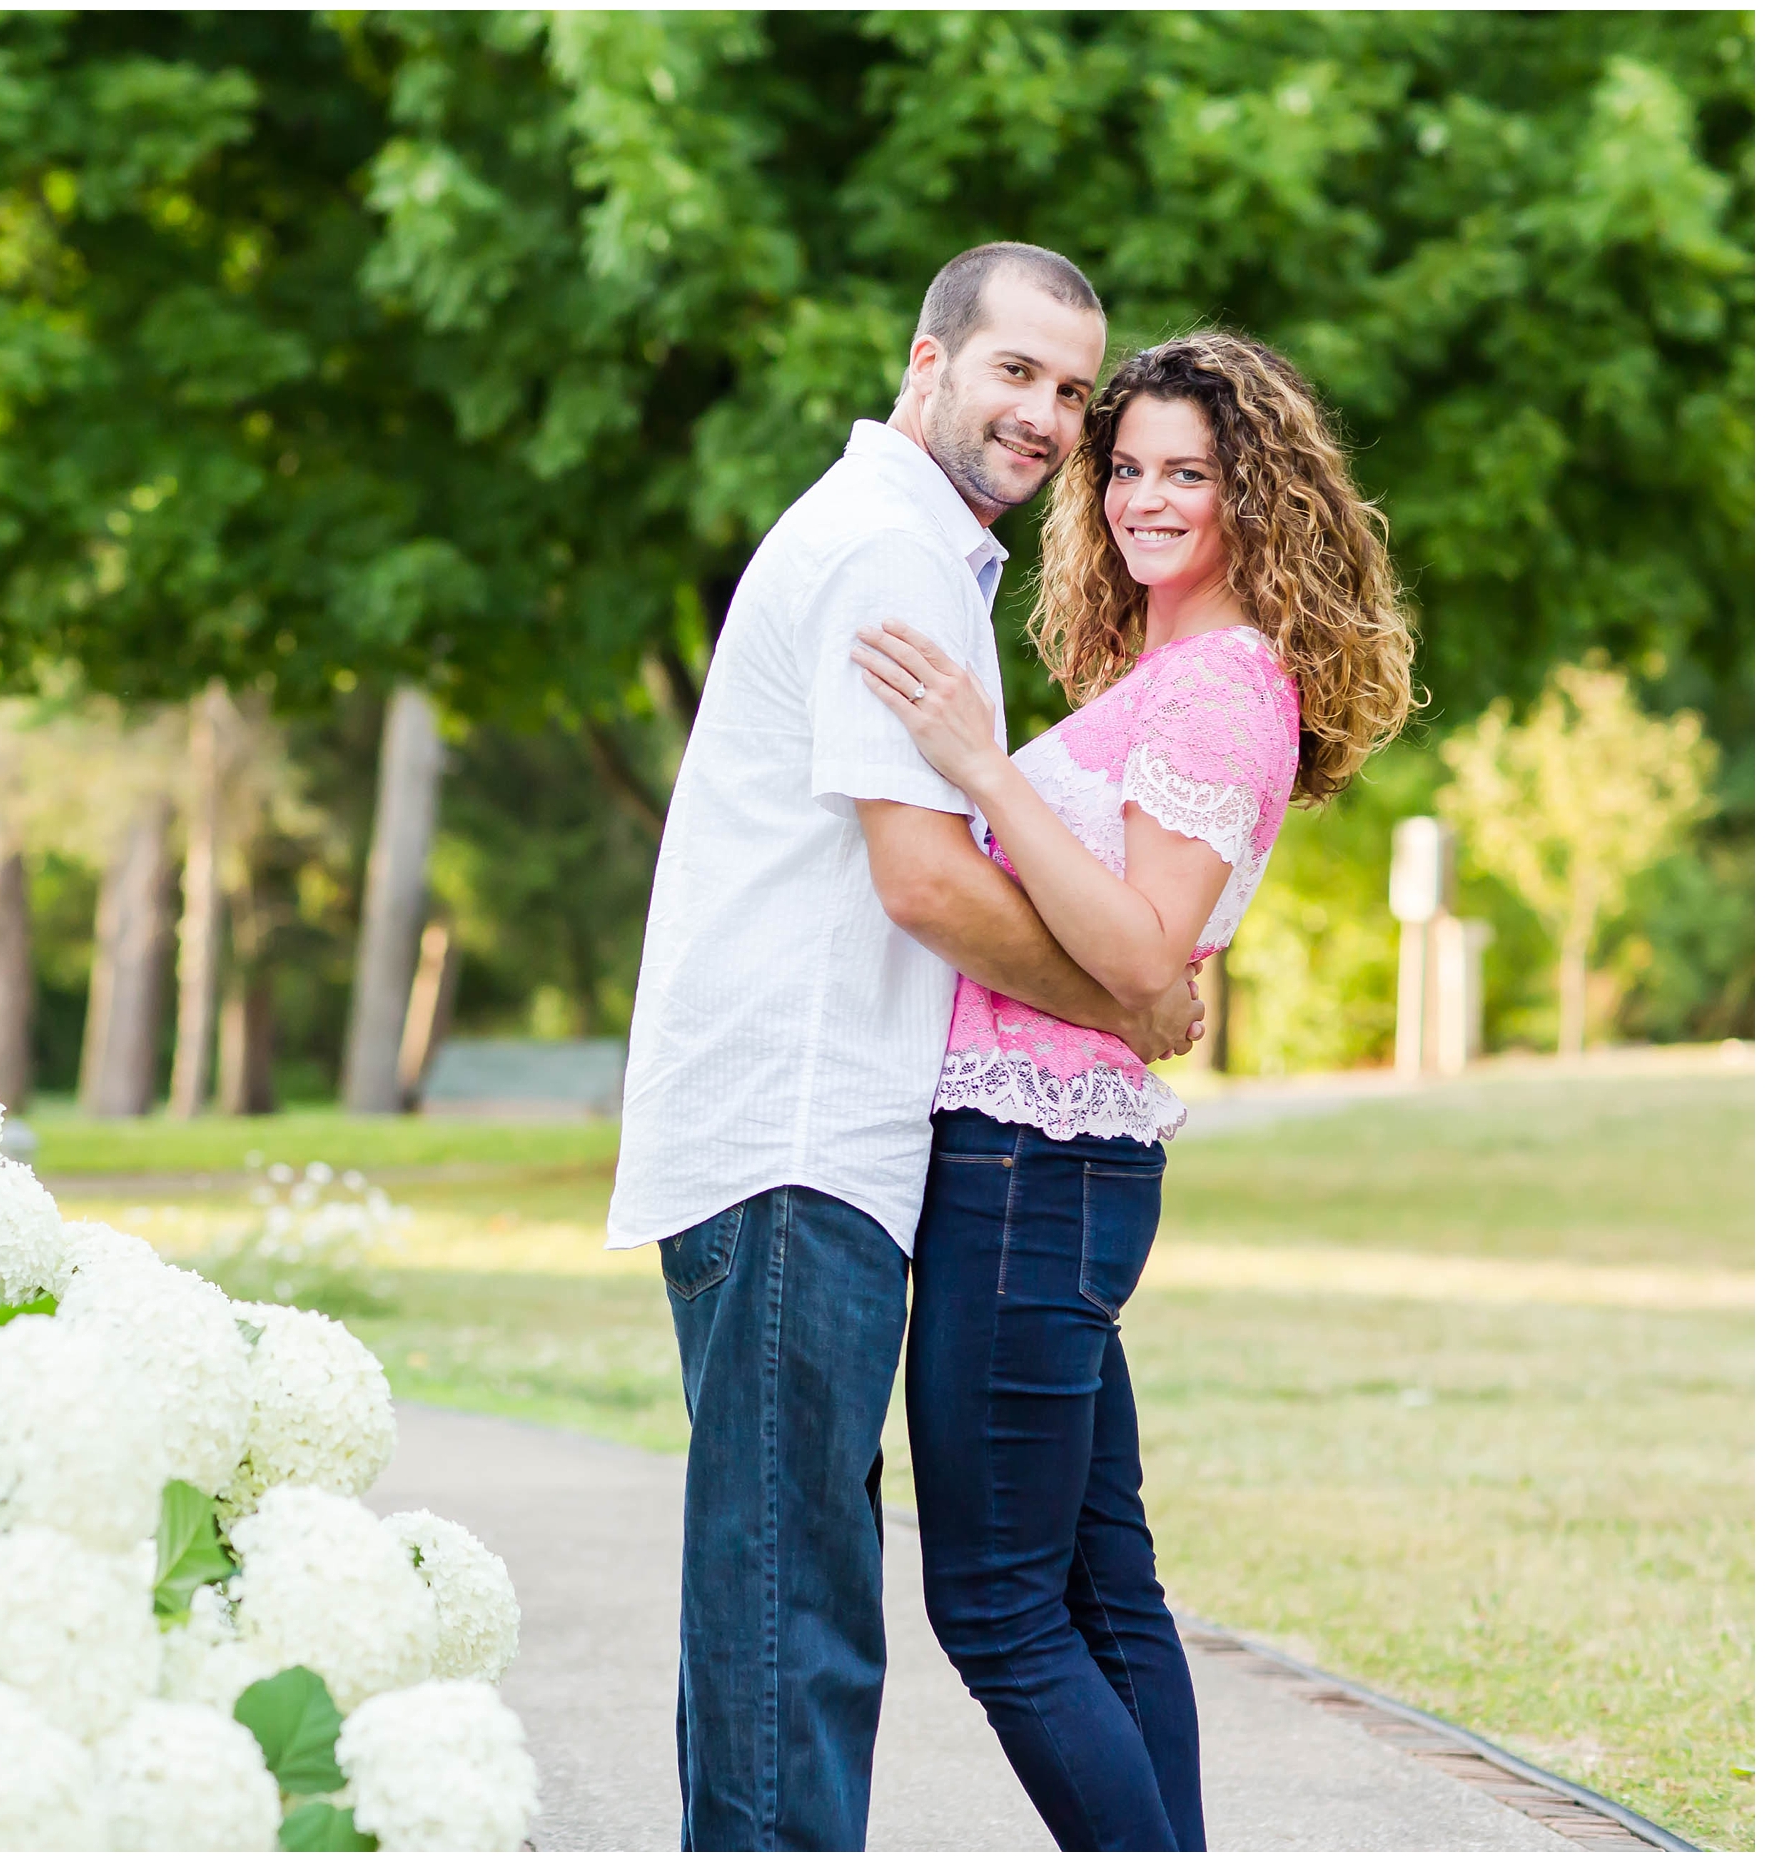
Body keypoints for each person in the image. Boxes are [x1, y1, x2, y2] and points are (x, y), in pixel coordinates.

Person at [608, 242, 1205, 1852]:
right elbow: (925, 876)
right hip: (799, 1129)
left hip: (829, 1135)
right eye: (1018, 372)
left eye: (1076, 392)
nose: (1049, 417)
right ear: (926, 361)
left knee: (782, 1599)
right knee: (790, 1611)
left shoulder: (920, 551)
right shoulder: (886, 549)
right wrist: (1132, 999)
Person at [852, 331, 1417, 1850]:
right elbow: (1154, 965)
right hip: (1046, 1161)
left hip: (1037, 1164)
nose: (1148, 500)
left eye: (1194, 473)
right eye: (1130, 468)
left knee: (997, 1608)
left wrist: (982, 764)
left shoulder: (1224, 694)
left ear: (1262, 498)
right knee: (1102, 1588)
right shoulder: (1172, 673)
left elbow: (1146, 947)